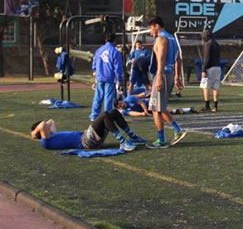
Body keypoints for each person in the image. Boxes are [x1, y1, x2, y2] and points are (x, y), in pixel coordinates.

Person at [146, 16, 187, 149]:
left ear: (156, 26)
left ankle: (167, 137)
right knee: (158, 107)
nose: (150, 32)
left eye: (151, 29)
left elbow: (161, 59)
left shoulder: (161, 39)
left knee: (156, 109)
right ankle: (172, 133)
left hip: (162, 75)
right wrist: (177, 77)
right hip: (168, 75)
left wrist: (158, 77)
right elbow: (179, 59)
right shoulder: (172, 39)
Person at [30, 109, 146, 151]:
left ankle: (133, 137)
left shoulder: (51, 137)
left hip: (87, 137)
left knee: (113, 112)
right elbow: (44, 124)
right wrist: (35, 132)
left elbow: (51, 121)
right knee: (104, 115)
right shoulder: (45, 141)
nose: (48, 129)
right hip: (86, 140)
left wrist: (40, 129)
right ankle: (123, 142)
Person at [90, 33, 123, 121]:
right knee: (108, 97)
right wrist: (120, 79)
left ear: (105, 40)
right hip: (110, 77)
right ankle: (107, 116)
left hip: (100, 76)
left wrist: (98, 72)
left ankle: (94, 115)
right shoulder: (115, 52)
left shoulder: (98, 50)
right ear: (115, 40)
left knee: (98, 96)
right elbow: (118, 68)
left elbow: (94, 65)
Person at [201, 30, 221, 112]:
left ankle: (207, 106)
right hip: (218, 67)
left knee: (205, 87)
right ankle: (215, 106)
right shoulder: (217, 44)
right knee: (215, 87)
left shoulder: (208, 44)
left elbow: (207, 58)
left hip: (210, 68)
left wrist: (204, 69)